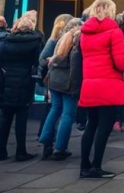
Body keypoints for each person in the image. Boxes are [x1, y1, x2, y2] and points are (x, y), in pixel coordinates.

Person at [79, 0, 124, 179]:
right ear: (110, 11)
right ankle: (96, 167)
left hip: (90, 85)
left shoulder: (85, 32)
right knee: (105, 127)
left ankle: (84, 167)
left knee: (91, 125)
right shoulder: (113, 32)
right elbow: (121, 64)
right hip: (108, 86)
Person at [0, 12, 43, 162]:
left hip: (7, 82)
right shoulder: (36, 41)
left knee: (5, 117)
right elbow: (37, 62)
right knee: (21, 118)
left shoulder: (5, 41)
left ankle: (1, 152)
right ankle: (21, 151)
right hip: (25, 82)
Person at [40, 18, 82, 160]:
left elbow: (48, 60)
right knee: (68, 115)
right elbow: (75, 66)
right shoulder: (76, 40)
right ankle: (60, 147)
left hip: (54, 81)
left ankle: (45, 138)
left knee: (55, 109)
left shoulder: (60, 38)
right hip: (67, 83)